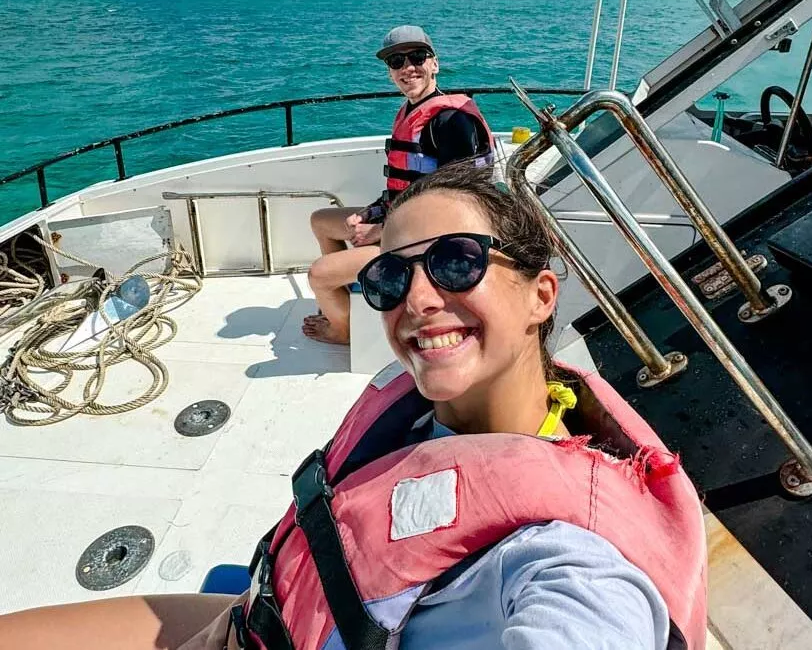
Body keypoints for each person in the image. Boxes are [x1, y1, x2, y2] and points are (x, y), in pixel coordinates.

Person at [0, 162, 708, 650]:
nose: (419, 298)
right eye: (392, 276)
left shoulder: (574, 562)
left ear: (540, 295)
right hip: (261, 619)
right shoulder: (425, 417)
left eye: (457, 260)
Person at [302, 24, 494, 345]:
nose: (407, 68)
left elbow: (459, 206)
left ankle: (344, 330)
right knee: (321, 221)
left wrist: (382, 232)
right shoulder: (411, 111)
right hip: (401, 223)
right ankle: (349, 300)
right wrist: (372, 212)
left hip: (430, 243)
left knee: (318, 275)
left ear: (434, 64)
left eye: (417, 57)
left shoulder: (450, 121)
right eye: (396, 62)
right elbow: (407, 185)